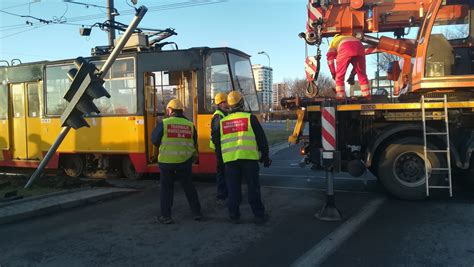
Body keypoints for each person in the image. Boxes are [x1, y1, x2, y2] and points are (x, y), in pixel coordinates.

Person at [212, 91, 271, 224]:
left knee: (233, 189)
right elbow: (261, 139)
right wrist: (265, 156)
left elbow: (217, 142)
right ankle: (258, 215)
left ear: (230, 105)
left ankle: (234, 215)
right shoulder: (250, 118)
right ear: (241, 103)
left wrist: (220, 160)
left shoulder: (223, 122)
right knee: (253, 187)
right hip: (249, 159)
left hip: (230, 161)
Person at [151, 98, 202, 224]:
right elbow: (194, 141)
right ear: (181, 111)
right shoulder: (190, 124)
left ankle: (166, 216)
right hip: (184, 162)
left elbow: (154, 139)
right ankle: (197, 213)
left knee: (166, 189)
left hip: (166, 162)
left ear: (170, 110)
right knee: (189, 187)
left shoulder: (164, 123)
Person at [326, 34, 370, 99]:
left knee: (340, 75)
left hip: (345, 47)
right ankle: (367, 95)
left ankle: (340, 96)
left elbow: (330, 60)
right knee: (362, 74)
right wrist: (352, 75)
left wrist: (334, 74)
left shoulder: (333, 42)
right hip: (360, 46)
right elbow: (357, 67)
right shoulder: (350, 37)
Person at [210, 92, 228, 206]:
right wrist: (219, 151)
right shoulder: (218, 116)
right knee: (221, 173)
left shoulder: (223, 115)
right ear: (221, 103)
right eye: (226, 101)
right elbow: (216, 135)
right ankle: (221, 196)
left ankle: (224, 194)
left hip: (223, 149)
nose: (228, 104)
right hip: (220, 150)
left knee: (224, 172)